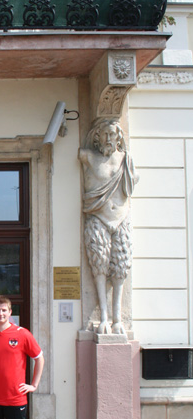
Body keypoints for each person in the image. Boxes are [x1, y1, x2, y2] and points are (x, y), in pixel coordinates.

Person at [78, 118, 139, 335]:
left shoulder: (125, 160)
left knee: (121, 268)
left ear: (119, 137)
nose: (108, 138)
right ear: (97, 136)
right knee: (99, 265)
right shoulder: (88, 157)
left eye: (113, 134)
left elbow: (134, 181)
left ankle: (117, 318)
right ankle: (103, 315)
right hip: (98, 217)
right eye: (104, 134)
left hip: (120, 218)